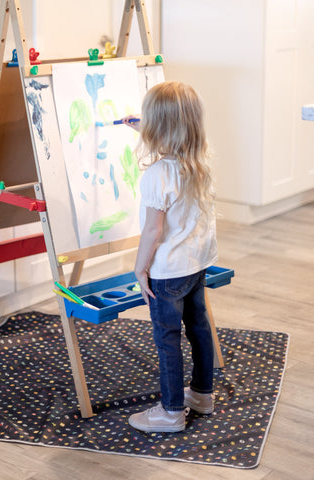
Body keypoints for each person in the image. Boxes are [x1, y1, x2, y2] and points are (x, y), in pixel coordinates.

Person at [121, 81, 218, 433]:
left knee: (167, 338)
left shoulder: (157, 175)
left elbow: (152, 232)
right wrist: (145, 128)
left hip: (167, 272)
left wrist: (140, 267)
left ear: (158, 129)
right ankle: (202, 395)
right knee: (198, 326)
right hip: (196, 264)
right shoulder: (200, 163)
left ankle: (172, 411)